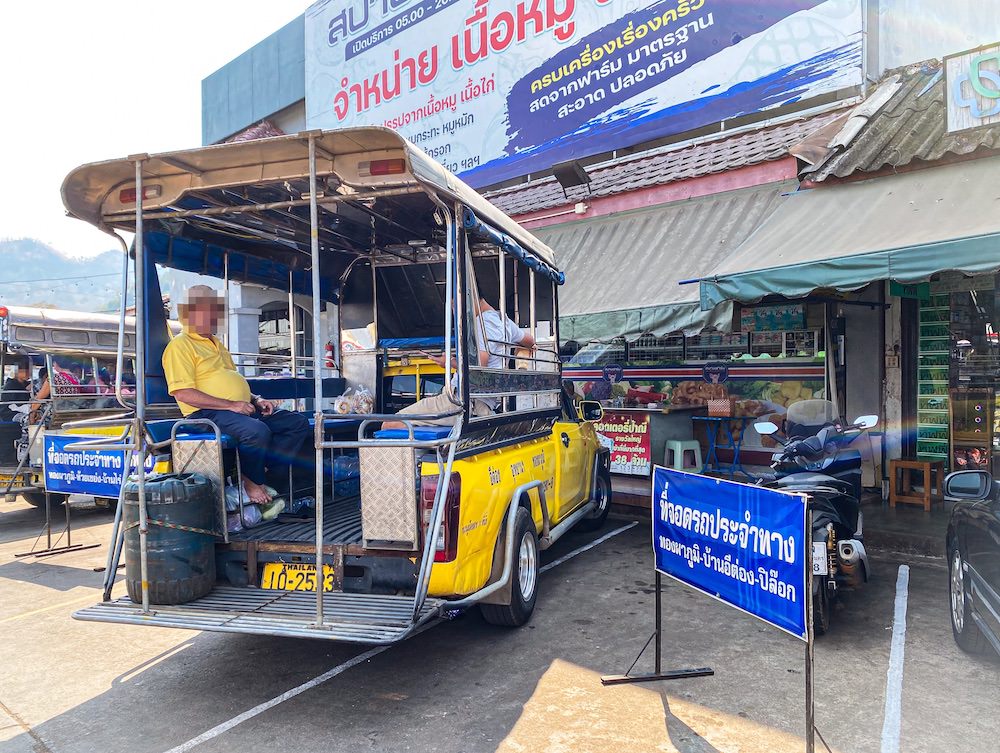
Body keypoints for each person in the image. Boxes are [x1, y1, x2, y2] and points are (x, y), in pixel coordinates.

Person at [162, 285, 311, 504]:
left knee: (297, 423)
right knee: (256, 431)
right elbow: (183, 392)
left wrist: (256, 399)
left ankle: (261, 472)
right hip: (205, 414)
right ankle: (251, 480)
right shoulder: (180, 346)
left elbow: (233, 380)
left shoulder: (217, 344)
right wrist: (231, 405)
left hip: (237, 410)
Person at [382, 296, 535, 428]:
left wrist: (448, 363)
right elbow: (530, 341)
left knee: (389, 424)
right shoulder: (503, 321)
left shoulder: (481, 324)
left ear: (468, 299)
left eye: (455, 306)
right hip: (481, 402)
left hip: (461, 402)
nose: (455, 313)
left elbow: (478, 367)